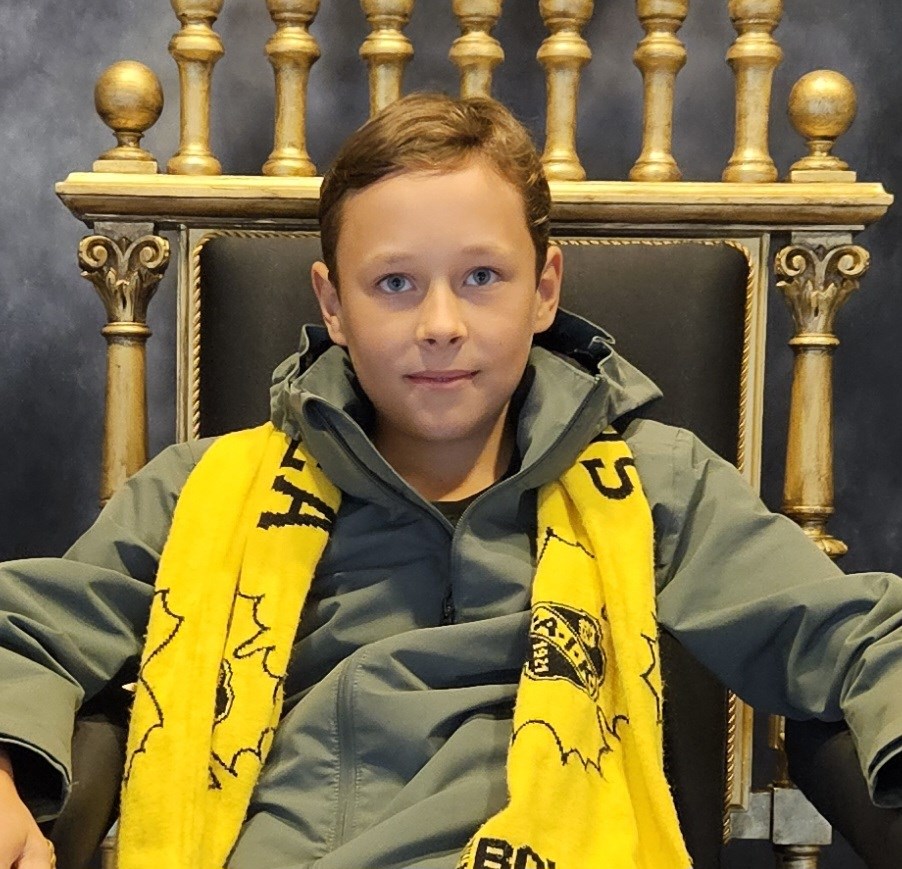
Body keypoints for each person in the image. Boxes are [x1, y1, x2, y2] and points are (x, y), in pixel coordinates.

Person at [2, 92, 902, 869]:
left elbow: (855, 638)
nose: (440, 323)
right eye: (394, 283)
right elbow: (30, 629)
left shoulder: (650, 481)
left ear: (544, 289)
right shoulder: (205, 490)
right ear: (333, 304)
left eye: (480, 276)